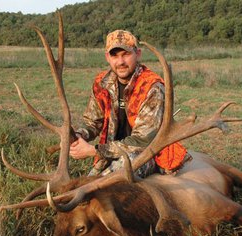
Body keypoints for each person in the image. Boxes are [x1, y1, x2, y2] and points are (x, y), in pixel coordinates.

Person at [69, 30, 190, 177]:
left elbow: (142, 141)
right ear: (107, 57)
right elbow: (93, 122)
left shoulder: (152, 87)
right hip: (110, 152)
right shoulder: (102, 83)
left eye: (126, 54)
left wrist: (94, 150)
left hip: (145, 154)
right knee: (87, 185)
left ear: (137, 54)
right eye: (115, 55)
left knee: (104, 183)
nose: (120, 62)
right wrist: (78, 136)